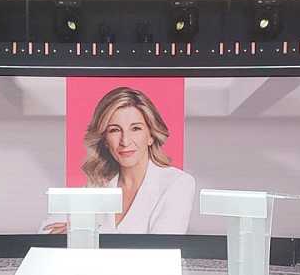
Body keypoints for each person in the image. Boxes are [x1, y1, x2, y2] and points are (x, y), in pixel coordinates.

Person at [44, 85, 196, 235]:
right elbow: (46, 231)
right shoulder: (98, 185)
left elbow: (161, 246)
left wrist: (83, 230)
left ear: (151, 136)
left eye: (135, 128)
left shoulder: (178, 183)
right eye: (115, 130)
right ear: (104, 139)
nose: (125, 141)